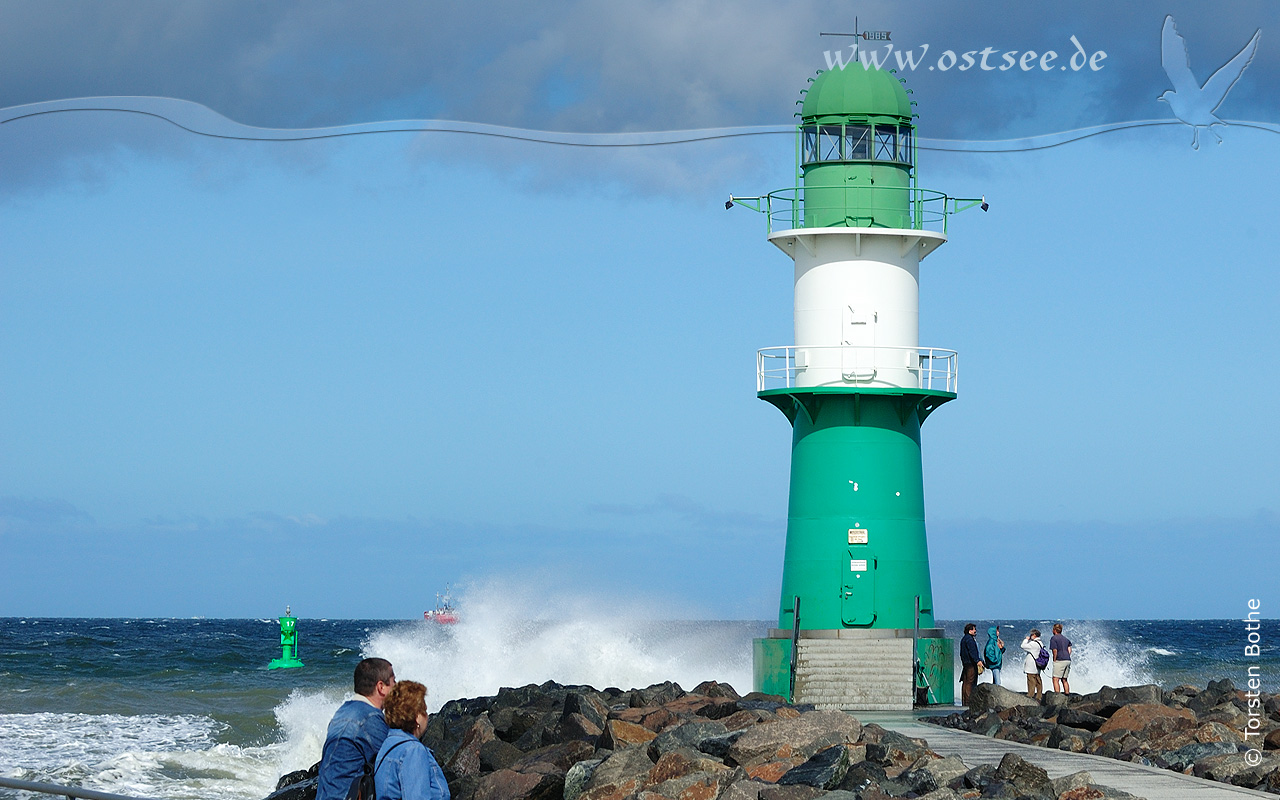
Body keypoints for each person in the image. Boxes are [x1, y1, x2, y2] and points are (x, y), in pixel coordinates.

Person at [317, 657, 396, 800]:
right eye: (393, 682)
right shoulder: (369, 718)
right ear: (381, 687)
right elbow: (396, 760)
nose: (396, 688)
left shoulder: (343, 711)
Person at [374, 681, 450, 800]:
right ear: (417, 717)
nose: (427, 716)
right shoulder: (413, 750)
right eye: (424, 710)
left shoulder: (387, 744)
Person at [959, 623, 983, 705]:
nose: (975, 631)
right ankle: (968, 702)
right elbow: (972, 652)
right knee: (970, 682)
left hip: (965, 663)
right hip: (971, 664)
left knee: (965, 682)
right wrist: (977, 661)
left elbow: (962, 653)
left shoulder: (964, 639)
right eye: (973, 629)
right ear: (969, 631)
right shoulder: (970, 639)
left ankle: (964, 701)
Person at [1021, 629, 1046, 701]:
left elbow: (1023, 646)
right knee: (1038, 680)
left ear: (1034, 635)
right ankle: (1039, 695)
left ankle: (1030, 694)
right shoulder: (1040, 643)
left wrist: (1026, 640)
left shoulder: (1033, 644)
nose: (1030, 636)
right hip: (1038, 664)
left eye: (1031, 634)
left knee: (1031, 680)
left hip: (1031, 664)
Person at [1050, 623, 1073, 694]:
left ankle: (1057, 695)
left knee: (1055, 679)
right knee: (1064, 679)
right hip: (1067, 659)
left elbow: (1054, 650)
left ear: (1054, 630)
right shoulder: (1066, 639)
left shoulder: (1054, 638)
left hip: (1060, 660)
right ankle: (1067, 693)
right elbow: (1070, 650)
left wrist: (1054, 660)